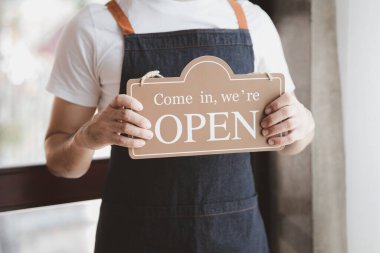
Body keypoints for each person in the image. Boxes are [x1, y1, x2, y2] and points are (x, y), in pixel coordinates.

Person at [44, 0, 315, 252]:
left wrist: (302, 123)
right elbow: (60, 161)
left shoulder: (252, 21)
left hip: (235, 235)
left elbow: (292, 141)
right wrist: (87, 137)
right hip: (134, 237)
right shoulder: (92, 27)